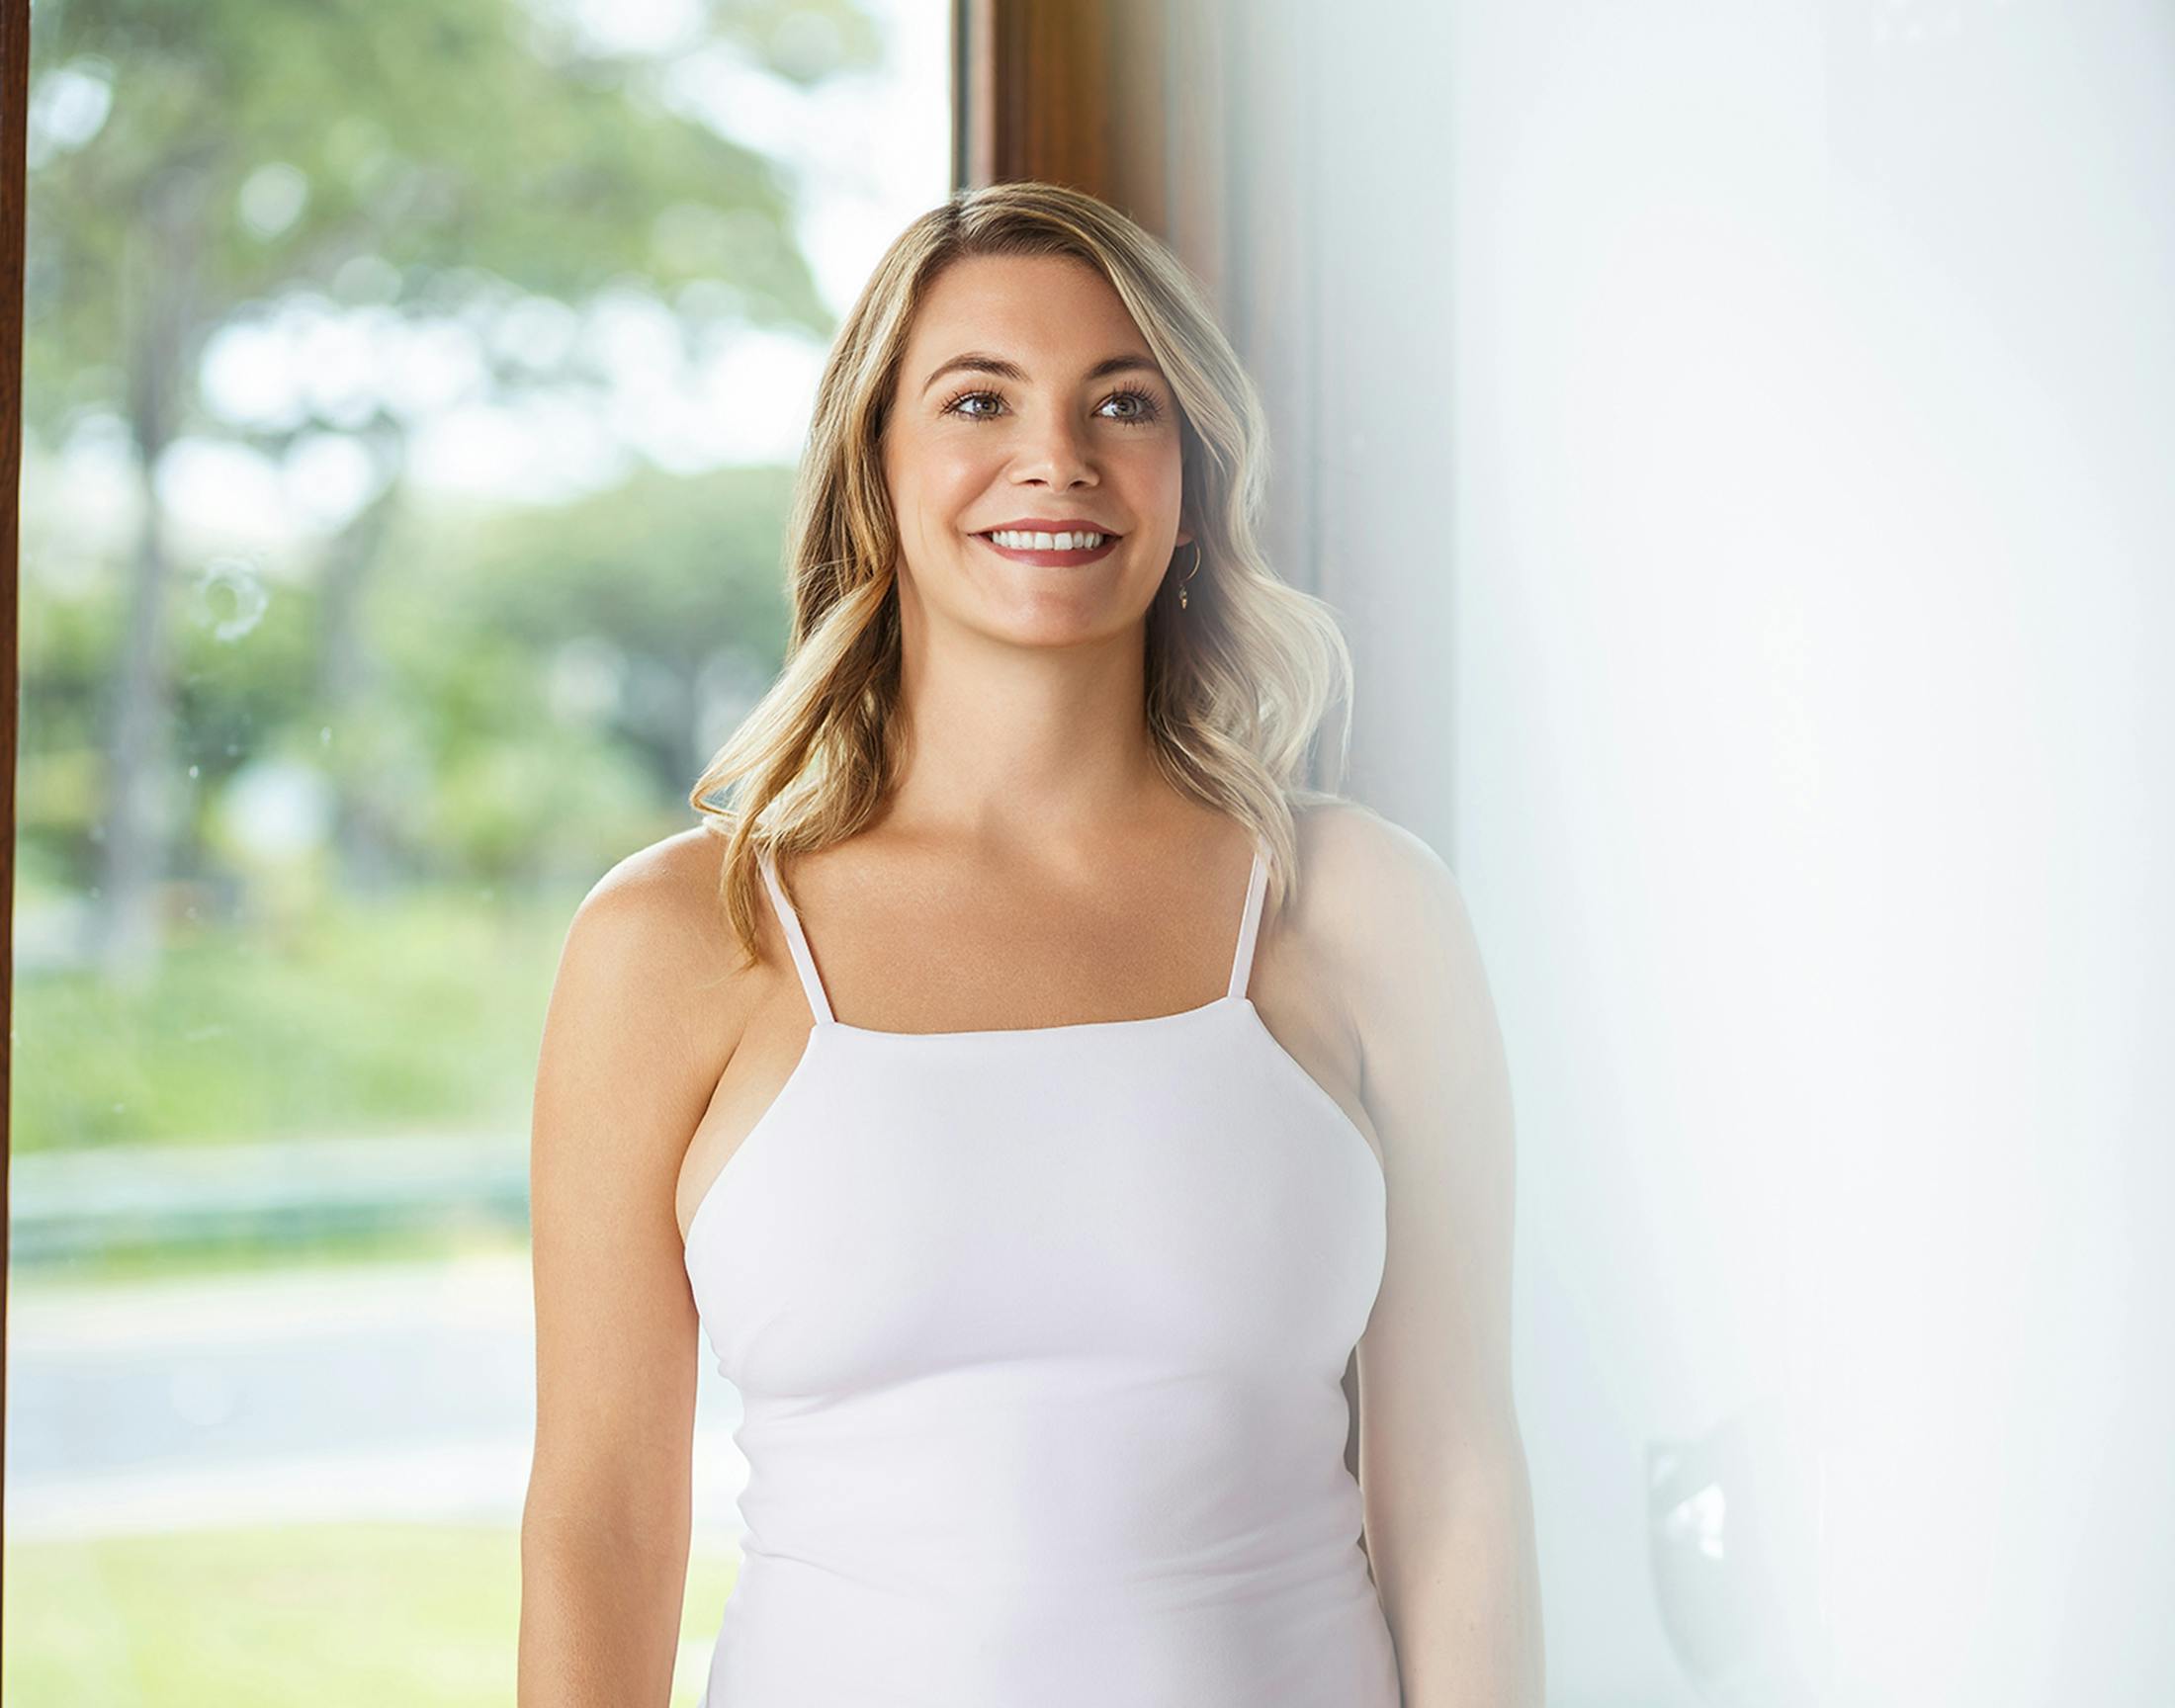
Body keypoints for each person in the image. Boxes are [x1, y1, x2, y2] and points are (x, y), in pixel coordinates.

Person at [520, 180, 1543, 1707]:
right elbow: (600, 1522)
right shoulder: (680, 939)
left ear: (1190, 469)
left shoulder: (1361, 912)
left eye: (1122, 403)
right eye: (977, 399)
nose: (1054, 459)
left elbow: (1454, 1489)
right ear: (875, 464)